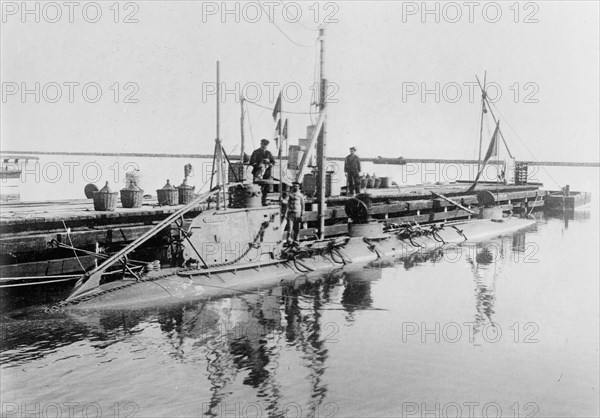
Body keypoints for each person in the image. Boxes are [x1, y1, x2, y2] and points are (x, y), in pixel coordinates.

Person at [249, 139, 275, 205]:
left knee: (265, 187)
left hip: (266, 173)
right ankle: (256, 201)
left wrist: (269, 164)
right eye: (263, 145)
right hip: (257, 173)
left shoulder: (268, 153)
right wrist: (258, 165)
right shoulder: (256, 152)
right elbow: (251, 162)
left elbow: (273, 162)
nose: (264, 147)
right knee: (257, 186)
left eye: (266, 146)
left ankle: (263, 201)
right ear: (261, 144)